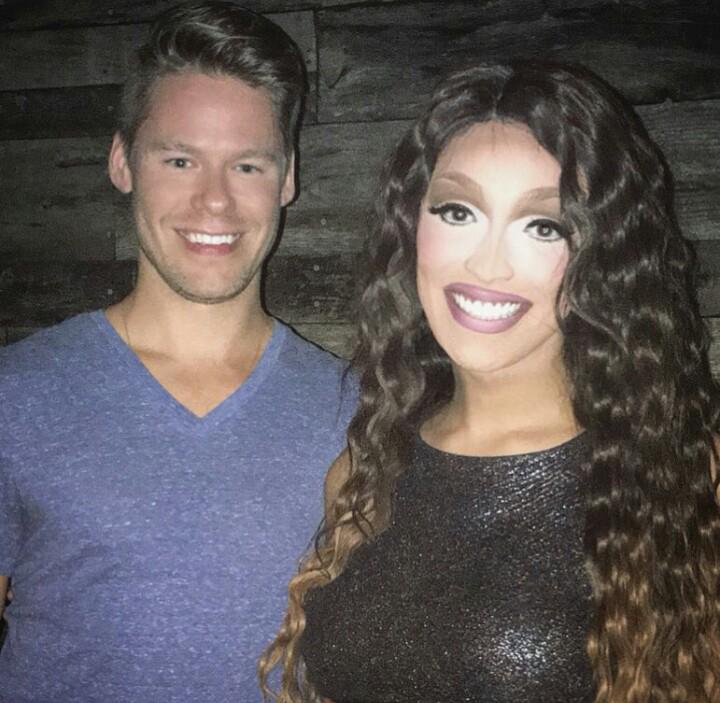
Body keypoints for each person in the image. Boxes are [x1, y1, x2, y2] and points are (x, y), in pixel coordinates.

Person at [259, 61, 720, 702]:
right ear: (411, 226)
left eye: (544, 225)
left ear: (605, 255)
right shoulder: (365, 471)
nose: (485, 263)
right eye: (457, 211)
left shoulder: (685, 474)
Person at [0, 2, 354, 701]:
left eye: (247, 165)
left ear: (286, 179)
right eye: (181, 159)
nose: (214, 200)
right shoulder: (16, 395)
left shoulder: (358, 411)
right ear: (122, 161)